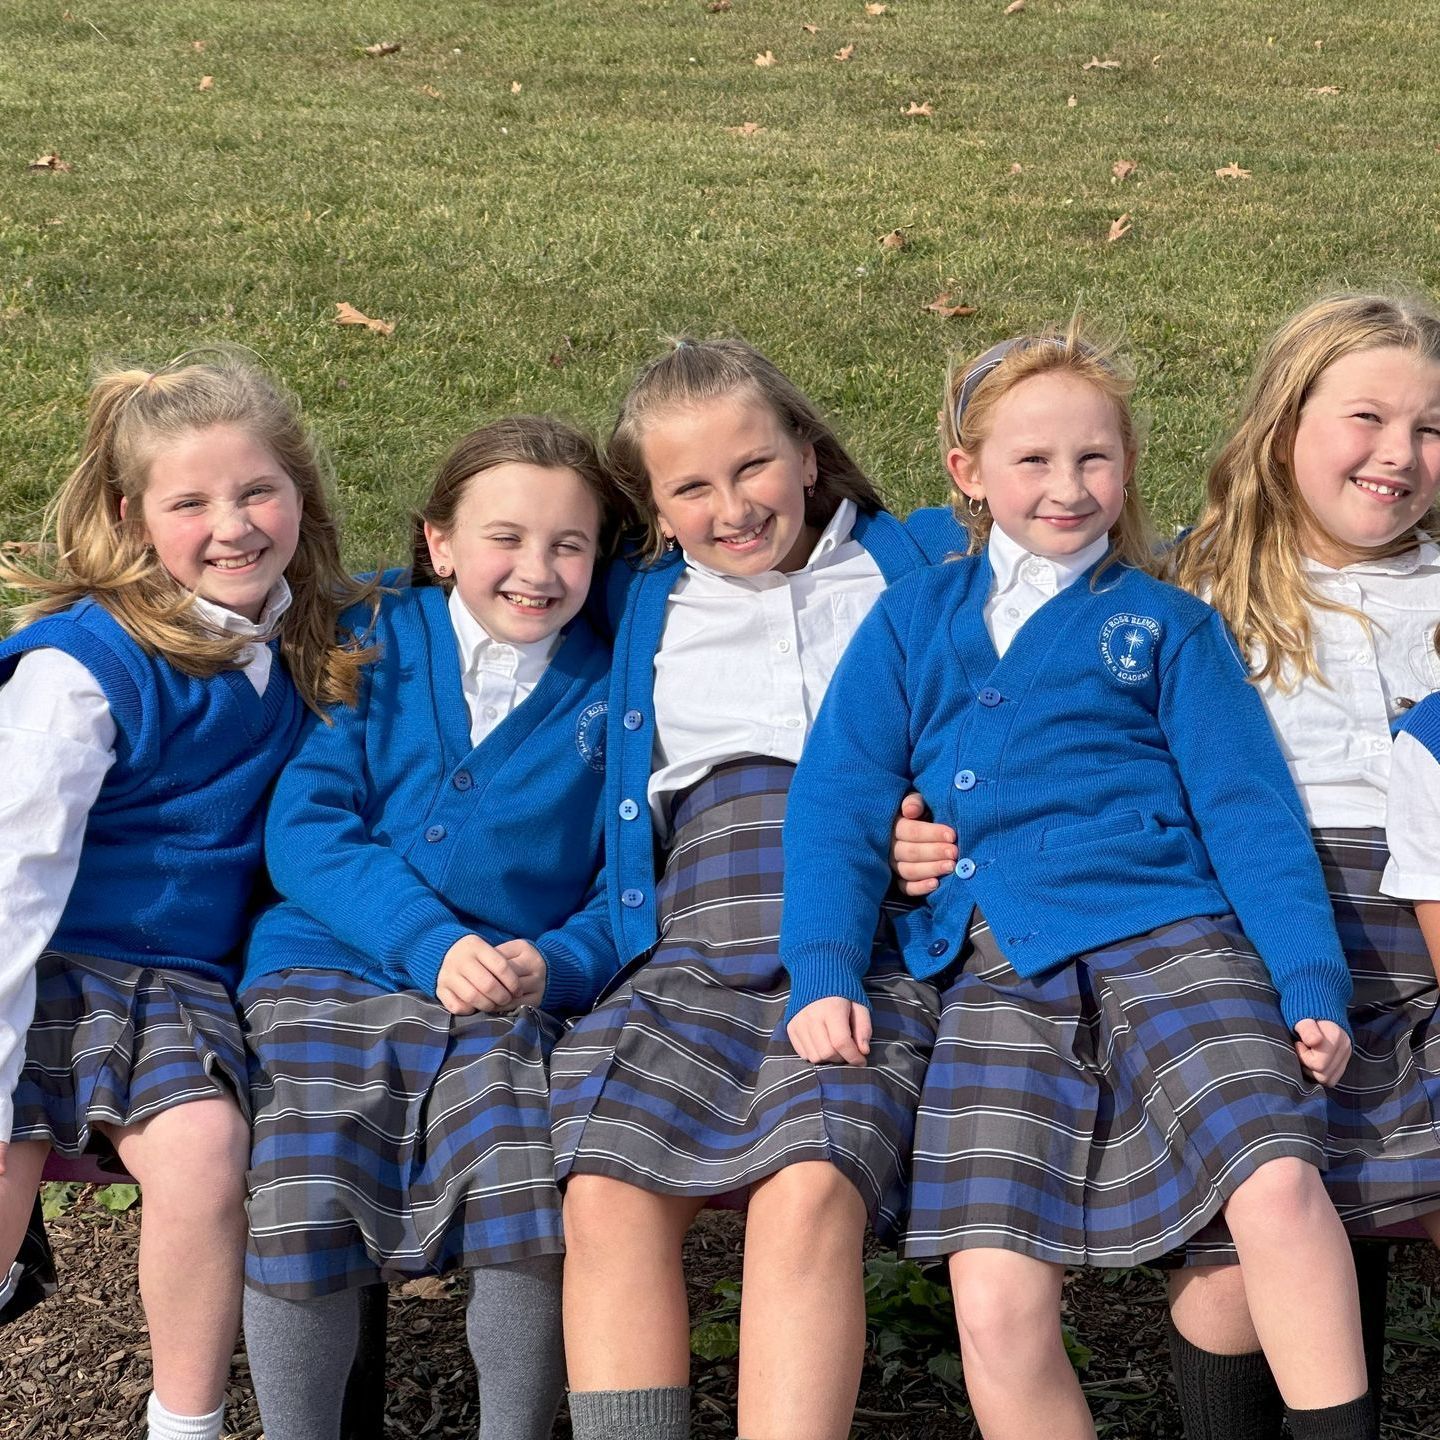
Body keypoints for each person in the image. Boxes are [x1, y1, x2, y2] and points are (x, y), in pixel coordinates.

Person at [780, 325, 1375, 1440]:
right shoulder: (914, 621)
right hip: (998, 968)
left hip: (1174, 938)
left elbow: (1251, 815)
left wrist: (1310, 984)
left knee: (1280, 1185)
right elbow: (837, 801)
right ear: (967, 473)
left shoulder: (1165, 624)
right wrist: (823, 968)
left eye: (1094, 460)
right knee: (994, 1295)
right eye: (1033, 461)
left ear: (1128, 465)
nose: (1067, 488)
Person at [548, 337, 964, 1440]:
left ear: (811, 456)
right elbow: (483, 585)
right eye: (691, 486)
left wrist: (946, 844)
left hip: (866, 949)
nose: (731, 506)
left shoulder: (913, 566)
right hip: (689, 940)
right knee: (607, 1189)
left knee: (809, 1185)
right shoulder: (638, 603)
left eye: (754, 467)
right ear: (654, 504)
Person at [0, 355, 371, 1440]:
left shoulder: (309, 639)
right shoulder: (83, 670)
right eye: (190, 503)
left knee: (207, 1150)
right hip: (38, 964)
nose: (234, 527)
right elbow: (12, 880)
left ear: (301, 491)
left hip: (173, 986)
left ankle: (186, 1424)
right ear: (130, 515)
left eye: (259, 491)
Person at [238, 416, 623, 1440]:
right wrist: (424, 939)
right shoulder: (378, 640)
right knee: (306, 1175)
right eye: (504, 537)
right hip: (330, 964)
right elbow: (308, 829)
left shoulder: (617, 690)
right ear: (441, 541)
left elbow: (625, 886)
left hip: (503, 993)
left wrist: (559, 961)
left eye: (568, 544)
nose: (535, 570)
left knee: (523, 1191)